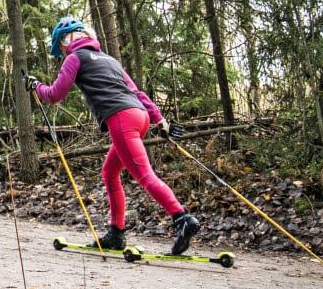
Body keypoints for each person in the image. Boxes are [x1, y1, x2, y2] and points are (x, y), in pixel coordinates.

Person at [26, 16, 201, 255]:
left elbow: (55, 95)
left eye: (61, 46)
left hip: (121, 119)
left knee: (144, 175)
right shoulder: (111, 60)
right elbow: (137, 91)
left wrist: (36, 87)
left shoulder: (74, 58)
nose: (63, 51)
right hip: (140, 117)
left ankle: (182, 219)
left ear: (67, 40)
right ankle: (116, 233)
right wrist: (161, 121)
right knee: (109, 173)